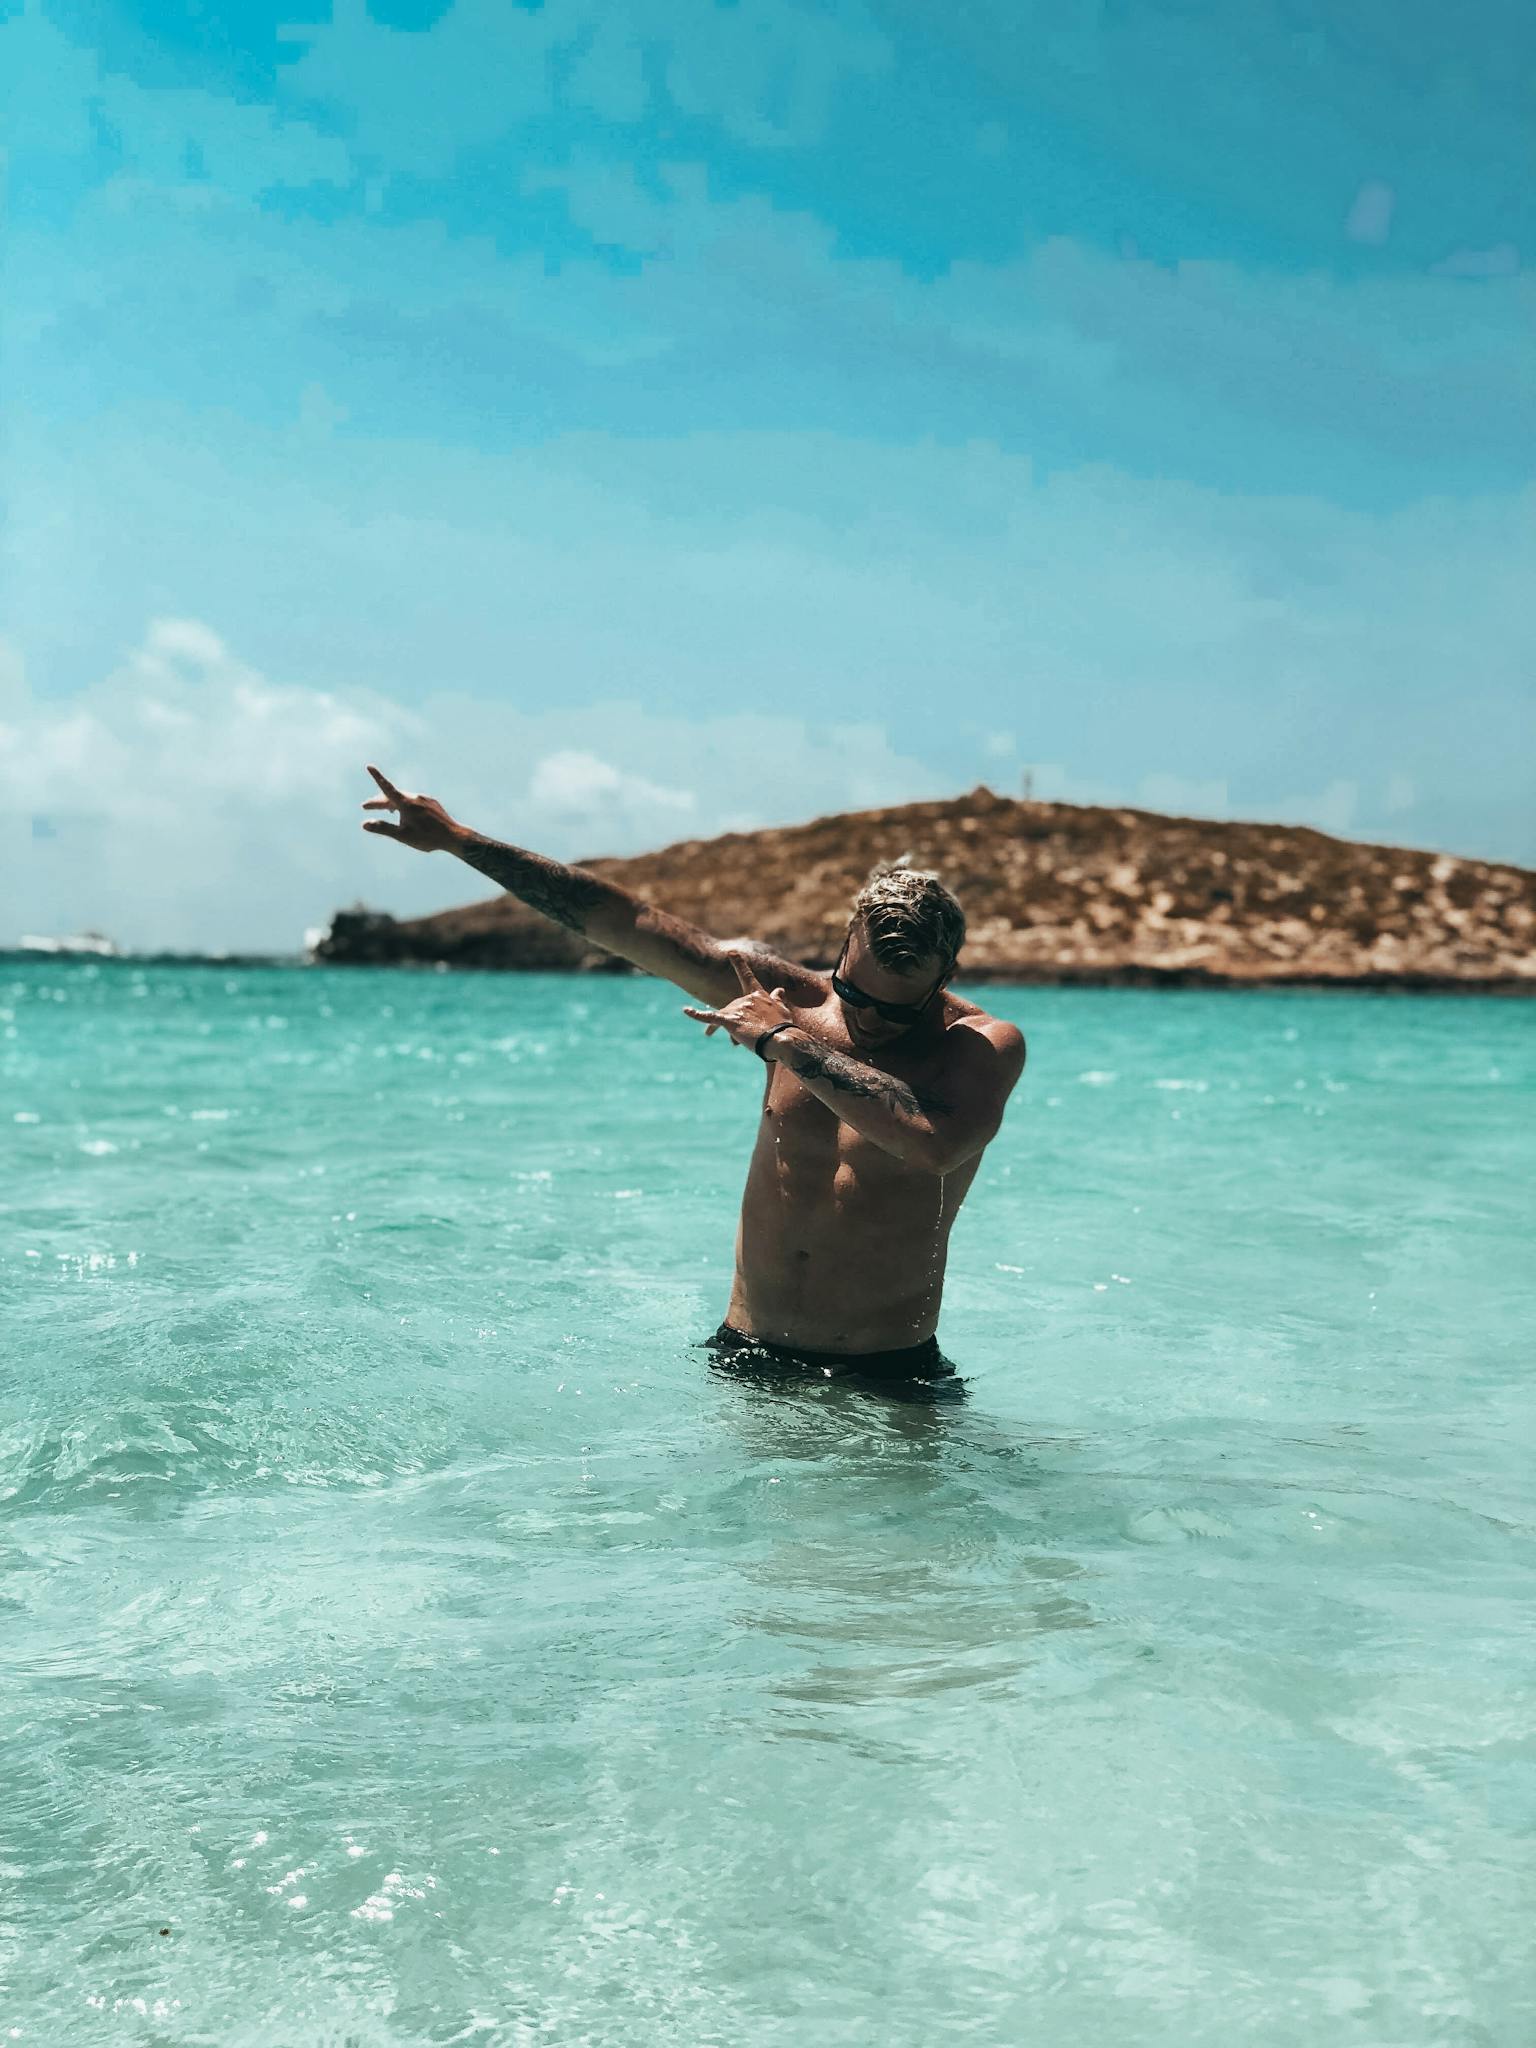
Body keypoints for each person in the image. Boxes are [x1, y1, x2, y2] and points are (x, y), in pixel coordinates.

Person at [360, 764, 1026, 1384]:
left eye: (895, 1009)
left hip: (889, 1373)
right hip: (749, 1354)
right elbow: (626, 923)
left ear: (946, 978)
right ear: (844, 943)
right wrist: (459, 841)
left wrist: (790, 1044)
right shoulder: (787, 995)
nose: (871, 1020)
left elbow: (932, 1142)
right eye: (856, 995)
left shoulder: (979, 1047)